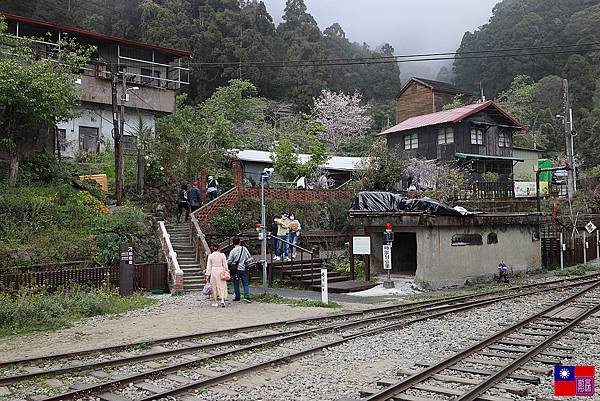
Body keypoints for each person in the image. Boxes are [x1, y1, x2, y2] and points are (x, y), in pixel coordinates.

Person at [227, 236, 252, 303]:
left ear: (233, 243)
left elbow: (229, 261)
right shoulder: (244, 248)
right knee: (245, 283)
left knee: (236, 283)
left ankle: (237, 297)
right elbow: (249, 256)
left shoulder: (233, 251)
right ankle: (246, 297)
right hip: (244, 268)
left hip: (236, 269)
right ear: (239, 242)